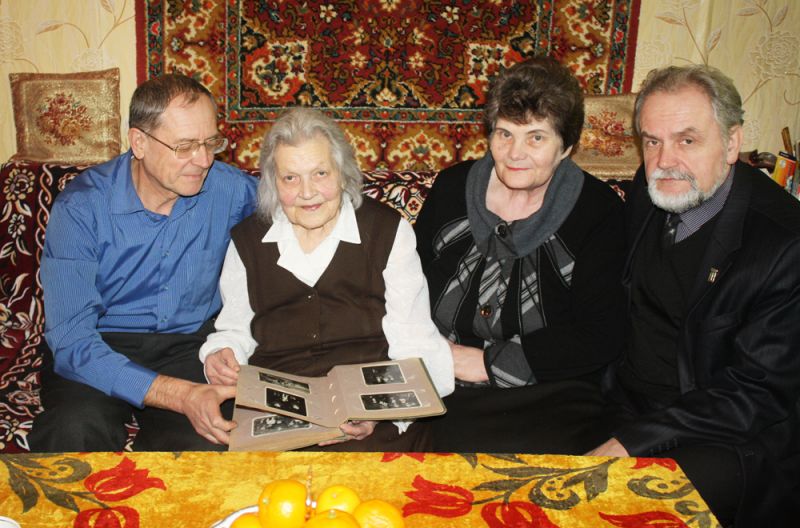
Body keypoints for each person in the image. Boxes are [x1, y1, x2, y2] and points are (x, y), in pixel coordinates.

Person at [587, 65, 800, 527]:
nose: (665, 160)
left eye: (687, 140)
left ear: (731, 142)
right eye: (652, 141)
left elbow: (754, 394)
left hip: (724, 434)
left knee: (612, 506)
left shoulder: (784, 245)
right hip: (623, 400)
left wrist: (632, 442)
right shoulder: (649, 194)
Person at [199, 107, 454, 451]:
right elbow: (234, 329)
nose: (307, 192)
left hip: (370, 409)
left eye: (320, 173)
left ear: (343, 173)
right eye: (290, 178)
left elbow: (412, 341)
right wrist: (222, 354)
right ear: (273, 182)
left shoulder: (387, 231)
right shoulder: (247, 240)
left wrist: (381, 413)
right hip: (279, 408)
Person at [30, 74, 258, 451]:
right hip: (99, 344)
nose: (203, 160)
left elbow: (301, 203)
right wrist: (179, 395)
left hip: (189, 345)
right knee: (72, 432)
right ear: (139, 142)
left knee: (212, 446)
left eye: (210, 143)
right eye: (185, 146)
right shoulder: (81, 208)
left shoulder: (230, 190)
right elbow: (71, 338)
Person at [413, 57, 626, 454]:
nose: (515, 153)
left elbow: (600, 334)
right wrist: (428, 353)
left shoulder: (599, 213)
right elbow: (406, 284)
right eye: (505, 134)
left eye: (536, 138)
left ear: (567, 147)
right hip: (439, 383)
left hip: (547, 396)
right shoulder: (451, 189)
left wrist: (487, 364)